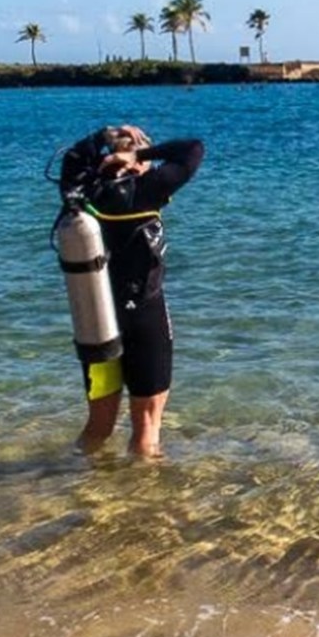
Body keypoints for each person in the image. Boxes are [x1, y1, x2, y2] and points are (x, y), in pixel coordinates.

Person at [56, 123, 204, 456]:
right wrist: (140, 153)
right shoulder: (146, 188)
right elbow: (193, 148)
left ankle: (80, 485)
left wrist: (103, 136)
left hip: (96, 325)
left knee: (98, 427)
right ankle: (144, 504)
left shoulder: (80, 194)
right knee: (147, 429)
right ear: (135, 162)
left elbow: (73, 158)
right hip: (144, 318)